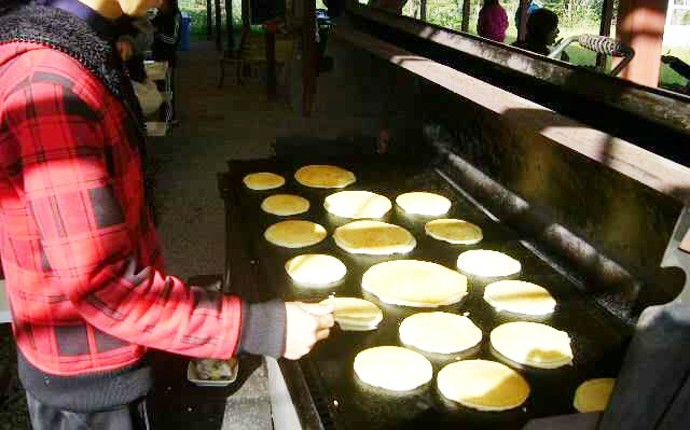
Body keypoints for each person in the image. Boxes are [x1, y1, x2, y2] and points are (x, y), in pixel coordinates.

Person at [0, 1, 334, 429]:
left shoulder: (73, 44)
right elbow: (104, 288)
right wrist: (260, 326)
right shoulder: (49, 91)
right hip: (88, 385)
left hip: (112, 351)